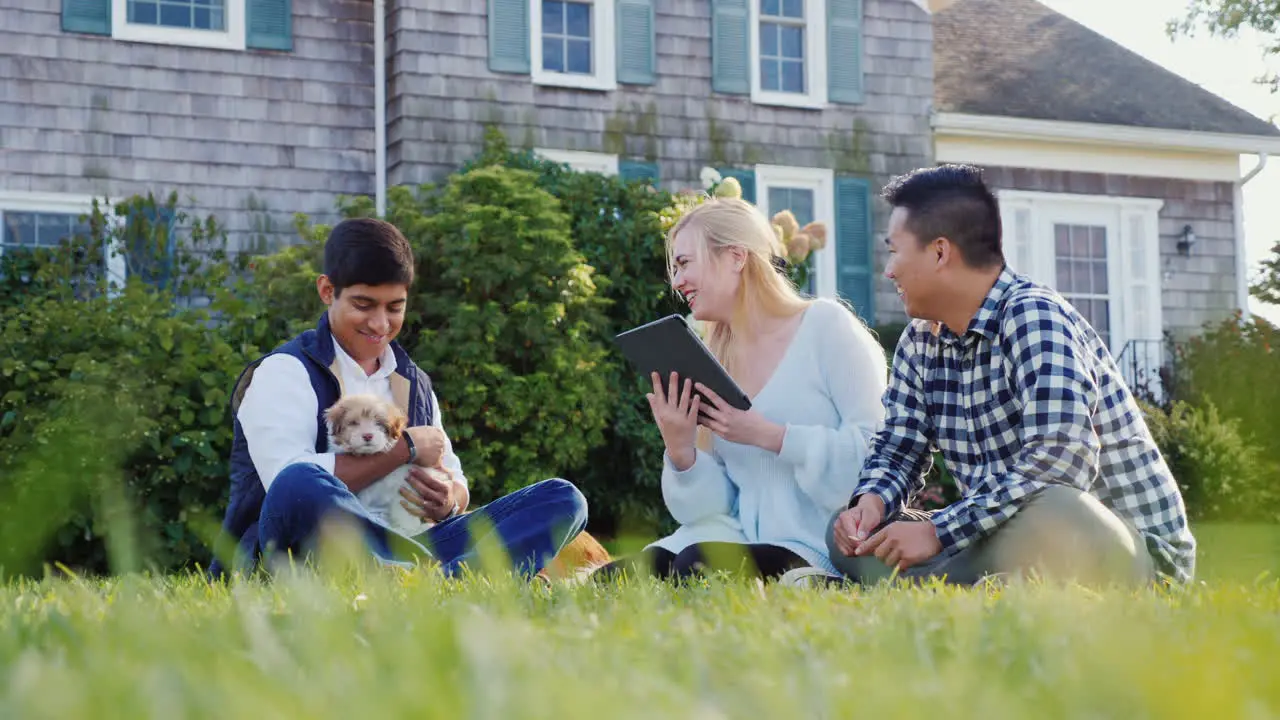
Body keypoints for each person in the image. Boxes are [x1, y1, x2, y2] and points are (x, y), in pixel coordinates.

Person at [826, 164, 1196, 588]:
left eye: (894, 251)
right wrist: (870, 504)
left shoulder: (1033, 316)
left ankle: (936, 585)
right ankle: (985, 585)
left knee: (1054, 507)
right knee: (848, 533)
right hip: (999, 532)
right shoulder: (920, 341)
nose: (889, 271)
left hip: (1122, 549)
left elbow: (1059, 462)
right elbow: (899, 448)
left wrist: (937, 532)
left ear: (940, 252)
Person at [208, 217, 588, 580]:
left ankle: (437, 581)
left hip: (415, 547)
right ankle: (422, 579)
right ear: (327, 291)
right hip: (303, 556)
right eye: (363, 304)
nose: (380, 324)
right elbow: (286, 488)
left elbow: (454, 477)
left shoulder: (415, 382)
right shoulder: (283, 371)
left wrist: (450, 500)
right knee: (299, 479)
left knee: (563, 498)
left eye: (395, 307)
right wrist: (403, 448)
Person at [593, 197, 888, 583]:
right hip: (735, 536)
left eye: (684, 264)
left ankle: (822, 584)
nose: (677, 282)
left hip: (816, 544)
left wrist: (771, 436)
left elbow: (878, 456)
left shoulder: (826, 327)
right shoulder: (716, 354)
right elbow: (715, 507)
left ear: (735, 257)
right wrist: (681, 450)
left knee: (697, 566)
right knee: (618, 578)